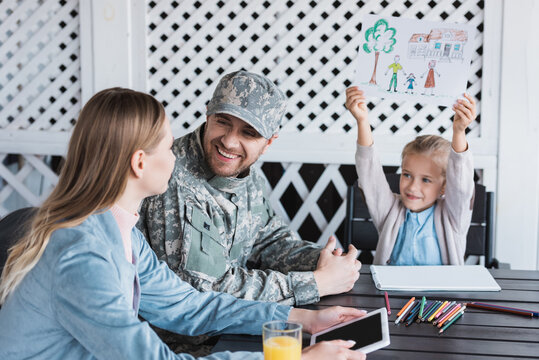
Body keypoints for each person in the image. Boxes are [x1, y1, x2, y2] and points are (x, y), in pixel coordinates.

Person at [0, 88, 368, 360]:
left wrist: (298, 317)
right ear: (140, 163)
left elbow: (190, 307)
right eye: (167, 146)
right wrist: (295, 359)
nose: (175, 157)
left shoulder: (116, 230)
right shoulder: (81, 256)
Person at [138, 70, 361, 307]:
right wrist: (317, 283)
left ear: (268, 143)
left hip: (237, 325)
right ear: (208, 115)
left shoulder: (246, 175)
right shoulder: (171, 177)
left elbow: (269, 241)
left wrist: (324, 261)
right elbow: (206, 289)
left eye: (249, 133)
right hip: (190, 341)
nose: (229, 142)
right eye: (223, 121)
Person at [345, 86, 476, 265]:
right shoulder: (389, 211)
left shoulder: (453, 217)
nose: (413, 186)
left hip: (441, 294)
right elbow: (369, 173)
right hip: (390, 293)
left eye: (426, 179)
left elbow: (461, 185)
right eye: (407, 175)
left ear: (445, 186)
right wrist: (362, 120)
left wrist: (459, 132)